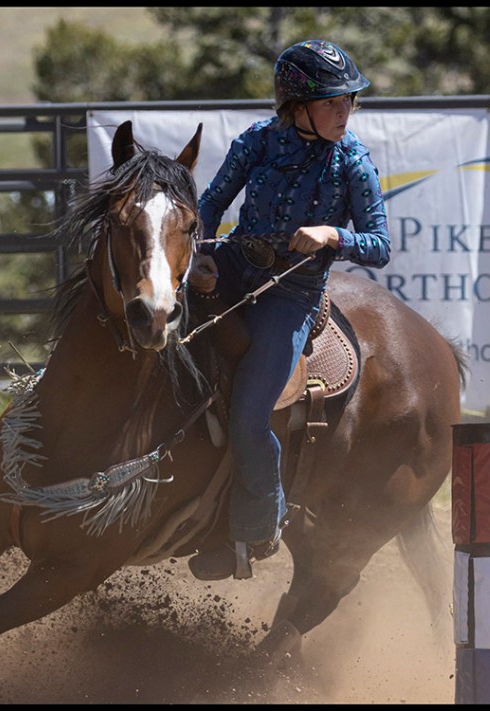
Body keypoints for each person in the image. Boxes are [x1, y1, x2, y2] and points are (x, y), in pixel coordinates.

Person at [187, 39, 391, 580]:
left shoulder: (353, 161)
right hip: (232, 265)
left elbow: (380, 245)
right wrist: (200, 253)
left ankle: (257, 529)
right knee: (154, 322)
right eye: (331, 102)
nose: (344, 112)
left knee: (251, 416)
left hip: (291, 292)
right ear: (296, 106)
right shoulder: (257, 140)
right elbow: (211, 204)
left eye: (349, 101)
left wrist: (332, 234)